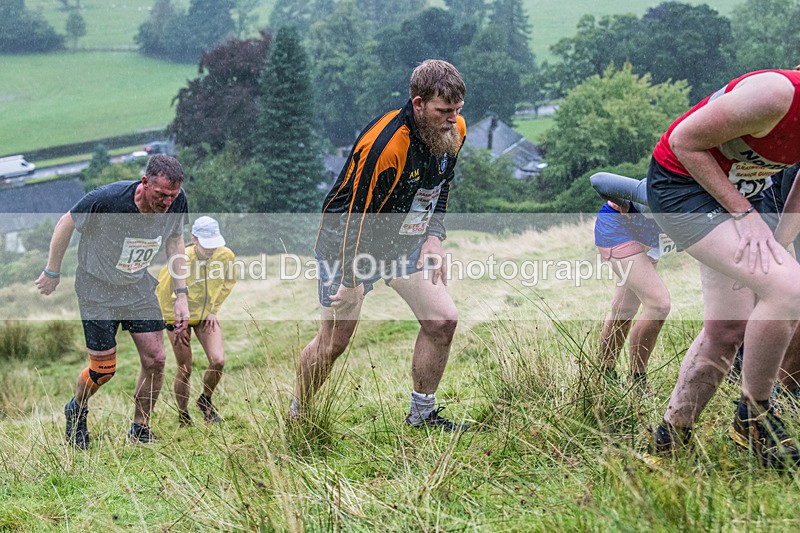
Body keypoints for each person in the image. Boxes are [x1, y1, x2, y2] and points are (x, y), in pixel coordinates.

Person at [290, 59, 468, 431]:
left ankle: (422, 415)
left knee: (442, 321)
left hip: (404, 240)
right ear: (418, 104)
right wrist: (352, 279)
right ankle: (299, 417)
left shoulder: (455, 130)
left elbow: (441, 184)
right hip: (349, 245)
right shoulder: (385, 146)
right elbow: (355, 218)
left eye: (457, 110)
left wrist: (434, 236)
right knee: (333, 343)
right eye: (443, 111)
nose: (452, 119)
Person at [646, 69, 800, 467]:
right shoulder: (776, 95)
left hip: (742, 191)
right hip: (681, 186)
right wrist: (743, 214)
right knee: (788, 289)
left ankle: (669, 442)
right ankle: (755, 419)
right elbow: (684, 141)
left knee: (727, 328)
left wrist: (778, 245)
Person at [34, 155, 189, 448]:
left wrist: (181, 294)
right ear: (145, 183)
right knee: (103, 370)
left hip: (137, 287)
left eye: (173, 196)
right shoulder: (108, 200)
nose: (167, 202)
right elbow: (67, 222)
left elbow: (175, 240)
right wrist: (52, 271)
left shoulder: (176, 202)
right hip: (97, 289)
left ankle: (140, 428)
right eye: (161, 195)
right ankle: (76, 409)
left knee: (155, 360)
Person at [591, 173, 670, 390]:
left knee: (624, 311)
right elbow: (598, 180)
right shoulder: (658, 192)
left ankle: (603, 377)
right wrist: (626, 203)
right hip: (617, 229)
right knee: (659, 304)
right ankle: (638, 382)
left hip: (650, 240)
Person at [156, 216, 236, 426]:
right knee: (185, 367)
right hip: (179, 318)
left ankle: (205, 400)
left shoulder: (225, 256)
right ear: (194, 239)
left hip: (204, 316)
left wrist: (213, 310)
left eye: (214, 244)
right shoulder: (181, 260)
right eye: (206, 245)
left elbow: (229, 281)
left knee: (218, 361)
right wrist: (174, 324)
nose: (211, 250)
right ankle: (183, 415)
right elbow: (163, 295)